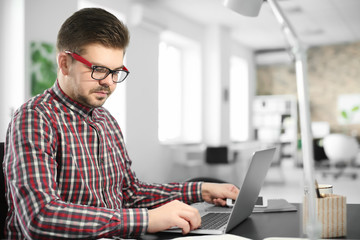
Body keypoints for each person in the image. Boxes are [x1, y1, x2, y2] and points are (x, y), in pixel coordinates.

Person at [3, 8, 239, 239]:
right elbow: (39, 217)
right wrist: (147, 220)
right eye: (98, 70)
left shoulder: (106, 120)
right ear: (65, 63)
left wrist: (200, 190)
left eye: (116, 72)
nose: (109, 83)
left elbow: (130, 194)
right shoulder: (35, 117)